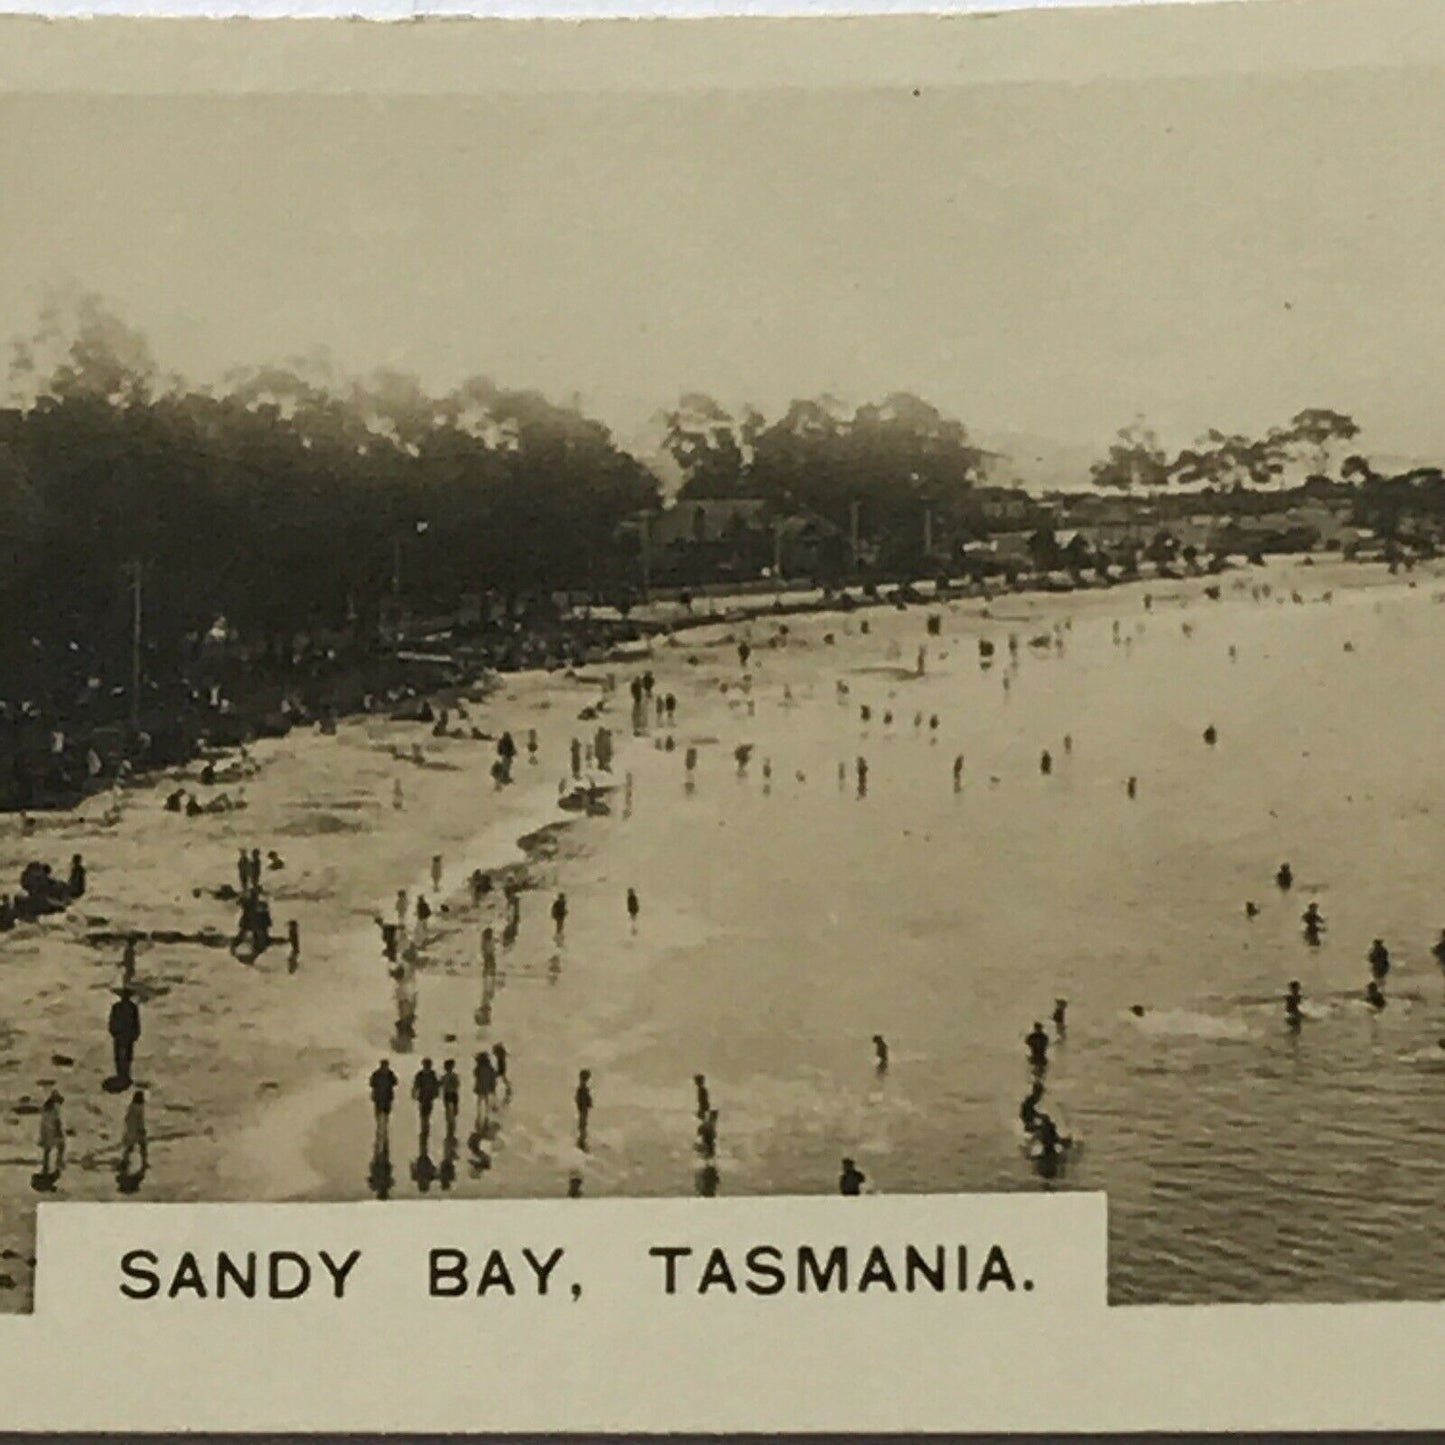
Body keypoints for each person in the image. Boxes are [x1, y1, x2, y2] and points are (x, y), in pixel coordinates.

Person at [108, 986, 141, 1086]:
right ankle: (122, 1075)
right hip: (121, 1034)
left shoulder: (130, 1007)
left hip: (125, 1035)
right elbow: (112, 1020)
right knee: (120, 1056)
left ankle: (125, 1075)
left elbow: (136, 1022)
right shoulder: (119, 1007)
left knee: (126, 1056)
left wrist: (135, 1033)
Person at [369, 1059, 398, 1151]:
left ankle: (383, 1126)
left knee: (385, 1113)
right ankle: (381, 1126)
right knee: (380, 1113)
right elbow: (372, 1083)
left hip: (385, 1097)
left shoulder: (386, 1074)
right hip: (380, 1097)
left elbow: (395, 1082)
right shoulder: (382, 1074)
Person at [412, 1059, 440, 1146]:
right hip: (423, 1097)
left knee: (427, 1112)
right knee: (423, 1112)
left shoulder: (432, 1074)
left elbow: (436, 1085)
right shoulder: (421, 1074)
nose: (427, 1067)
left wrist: (436, 1093)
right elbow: (416, 1085)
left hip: (429, 1097)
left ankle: (425, 1126)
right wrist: (414, 1093)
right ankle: (424, 1126)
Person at [120, 1090, 148, 1175]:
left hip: (131, 1131)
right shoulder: (139, 1108)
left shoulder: (131, 1107)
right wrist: (142, 1129)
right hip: (137, 1131)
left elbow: (127, 1119)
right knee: (142, 1147)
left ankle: (125, 1161)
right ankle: (144, 1163)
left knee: (130, 1147)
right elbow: (140, 1120)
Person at [38, 1089, 65, 1177]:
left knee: (47, 1150)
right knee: (61, 1146)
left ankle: (45, 1168)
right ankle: (58, 1165)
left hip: (46, 1130)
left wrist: (42, 1134)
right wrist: (59, 1132)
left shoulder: (45, 1107)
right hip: (53, 1130)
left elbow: (43, 1121)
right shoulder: (55, 1107)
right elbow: (57, 1121)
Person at [473, 1050, 498, 1126]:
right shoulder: (490, 1068)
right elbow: (493, 1076)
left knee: (480, 1100)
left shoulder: (478, 1068)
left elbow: (475, 1075)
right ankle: (486, 1114)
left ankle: (479, 1113)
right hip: (487, 1086)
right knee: (486, 1100)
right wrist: (493, 1086)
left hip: (480, 1086)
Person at [440, 1059, 461, 1139]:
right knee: (454, 1110)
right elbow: (457, 1085)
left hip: (448, 1094)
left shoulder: (444, 1076)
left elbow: (441, 1085)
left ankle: (450, 1123)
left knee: (448, 1110)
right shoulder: (454, 1076)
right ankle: (452, 1125)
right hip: (453, 1094)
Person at [575, 1069, 593, 1145]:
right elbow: (579, 1099)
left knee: (583, 1124)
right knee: (583, 1124)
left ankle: (582, 1140)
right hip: (583, 1109)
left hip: (583, 1108)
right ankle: (581, 1141)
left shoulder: (583, 1088)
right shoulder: (582, 1088)